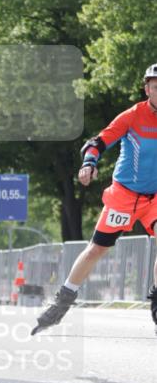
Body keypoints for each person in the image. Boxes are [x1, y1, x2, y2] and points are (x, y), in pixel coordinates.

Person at [32, 63, 157, 334]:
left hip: (155, 198)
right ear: (147, 89)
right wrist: (89, 163)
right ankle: (62, 302)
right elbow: (97, 142)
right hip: (124, 196)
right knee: (97, 249)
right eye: (155, 86)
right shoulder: (132, 116)